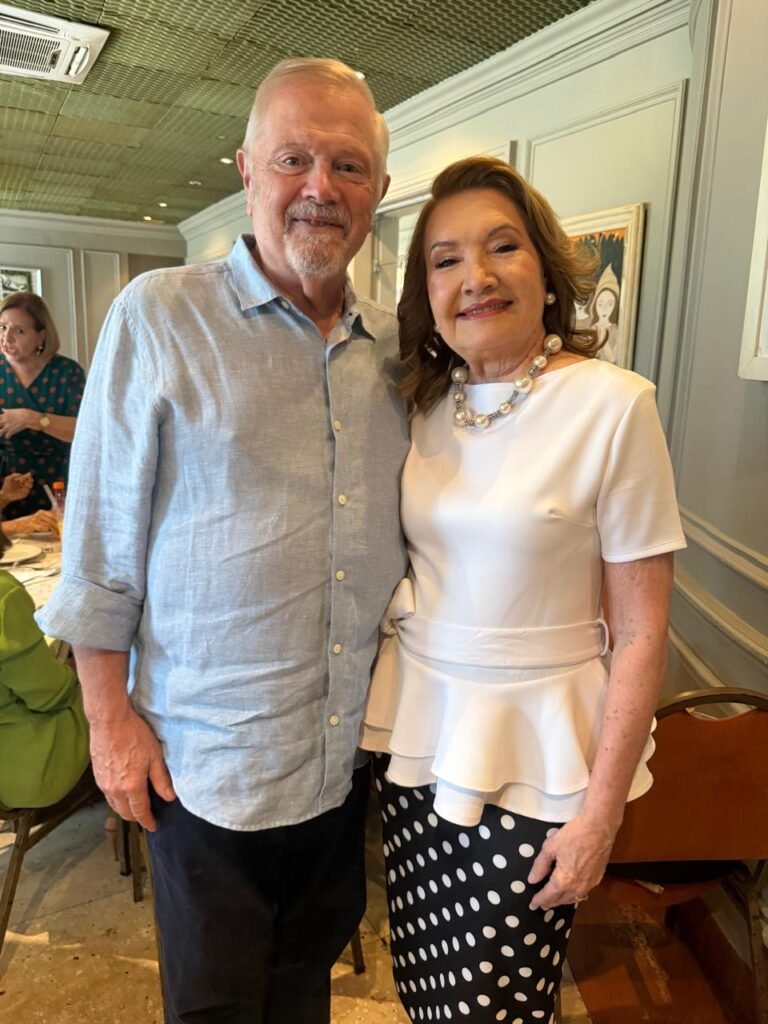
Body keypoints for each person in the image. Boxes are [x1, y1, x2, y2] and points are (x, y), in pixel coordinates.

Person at [38, 58, 408, 1024]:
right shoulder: (161, 316)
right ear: (246, 171)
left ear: (379, 188)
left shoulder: (400, 351)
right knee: (213, 1007)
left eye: (349, 165)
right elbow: (99, 552)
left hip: (342, 762)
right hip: (204, 768)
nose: (321, 187)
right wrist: (109, 727)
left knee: (303, 991)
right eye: (294, 159)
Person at [359, 156, 686, 1024]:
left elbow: (643, 631)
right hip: (421, 743)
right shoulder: (425, 404)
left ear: (546, 270)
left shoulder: (615, 406)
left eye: (502, 247)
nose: (476, 276)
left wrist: (600, 817)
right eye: (446, 260)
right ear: (426, 294)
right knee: (427, 989)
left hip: (539, 761)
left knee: (494, 1003)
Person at [0, 523, 89, 809]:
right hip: (23, 772)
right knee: (120, 679)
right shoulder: (3, 594)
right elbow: (51, 696)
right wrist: (78, 670)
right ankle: (126, 811)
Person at [0, 292, 85, 518]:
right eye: (2, 327)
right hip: (6, 485)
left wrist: (33, 419)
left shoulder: (67, 372)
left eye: (19, 331)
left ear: (41, 336)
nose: (6, 338)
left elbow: (86, 432)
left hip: (61, 480)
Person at [590, 264, 621, 364]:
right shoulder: (591, 329)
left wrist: (604, 339)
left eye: (610, 304)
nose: (604, 309)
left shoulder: (616, 330)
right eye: (600, 304)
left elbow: (613, 359)